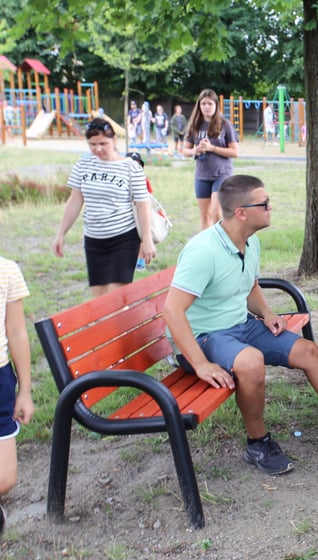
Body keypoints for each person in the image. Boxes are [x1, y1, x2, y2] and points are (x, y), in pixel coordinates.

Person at [163, 174, 318, 474]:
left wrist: (267, 313)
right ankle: (257, 444)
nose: (271, 207)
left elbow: (249, 286)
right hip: (203, 338)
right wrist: (201, 364)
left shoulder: (249, 241)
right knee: (251, 361)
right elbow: (172, 312)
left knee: (308, 352)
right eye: (264, 203)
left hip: (240, 326)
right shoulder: (203, 251)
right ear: (241, 213)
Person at [52, 118, 157, 297]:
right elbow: (75, 199)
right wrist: (61, 233)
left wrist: (146, 239)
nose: (98, 149)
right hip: (94, 239)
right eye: (92, 144)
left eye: (103, 143)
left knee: (116, 299)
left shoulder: (131, 168)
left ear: (114, 140)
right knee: (99, 299)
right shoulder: (83, 165)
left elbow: (142, 206)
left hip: (124, 238)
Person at [0, 257, 34, 535]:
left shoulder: (7, 270)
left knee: (5, 479)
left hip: (1, 378)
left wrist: (25, 390)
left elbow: (17, 332)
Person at [183, 89, 240, 230]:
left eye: (210, 104)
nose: (206, 107)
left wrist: (212, 148)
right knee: (205, 216)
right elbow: (185, 150)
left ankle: (222, 242)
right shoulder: (194, 125)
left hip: (221, 174)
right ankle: (206, 243)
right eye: (203, 104)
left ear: (216, 105)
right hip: (202, 175)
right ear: (199, 105)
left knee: (217, 214)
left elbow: (235, 152)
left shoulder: (225, 124)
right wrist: (195, 151)